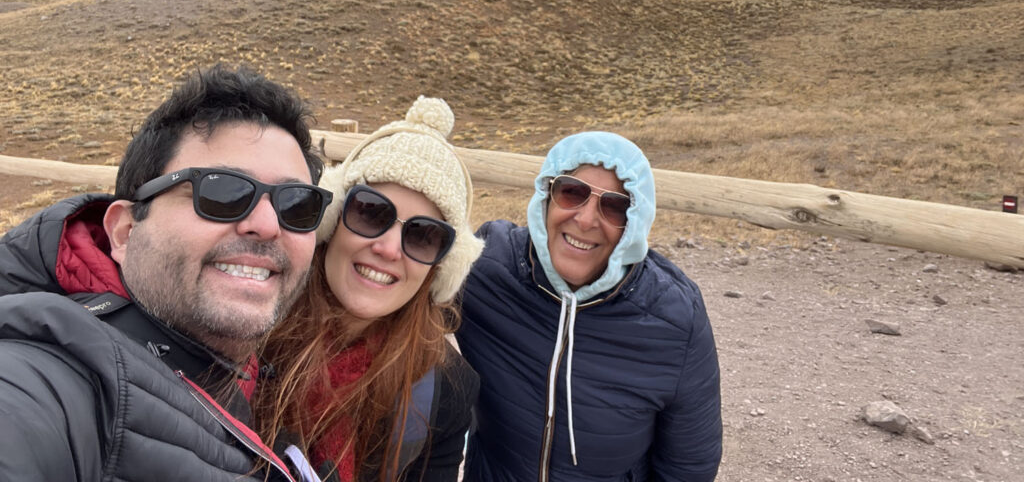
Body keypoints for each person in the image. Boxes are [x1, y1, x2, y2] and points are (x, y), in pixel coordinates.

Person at [0, 64, 331, 481]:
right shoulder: (51, 382)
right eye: (221, 191)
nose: (267, 225)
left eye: (297, 204)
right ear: (124, 232)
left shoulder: (263, 376)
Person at [456, 130, 723, 481]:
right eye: (572, 192)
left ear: (636, 221)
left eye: (615, 206)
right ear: (546, 196)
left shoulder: (675, 319)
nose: (585, 219)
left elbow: (688, 467)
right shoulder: (489, 267)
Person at [255, 96, 484, 482]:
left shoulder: (446, 391)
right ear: (331, 219)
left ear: (441, 266)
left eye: (424, 236)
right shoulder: (246, 316)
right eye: (371, 212)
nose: (389, 249)